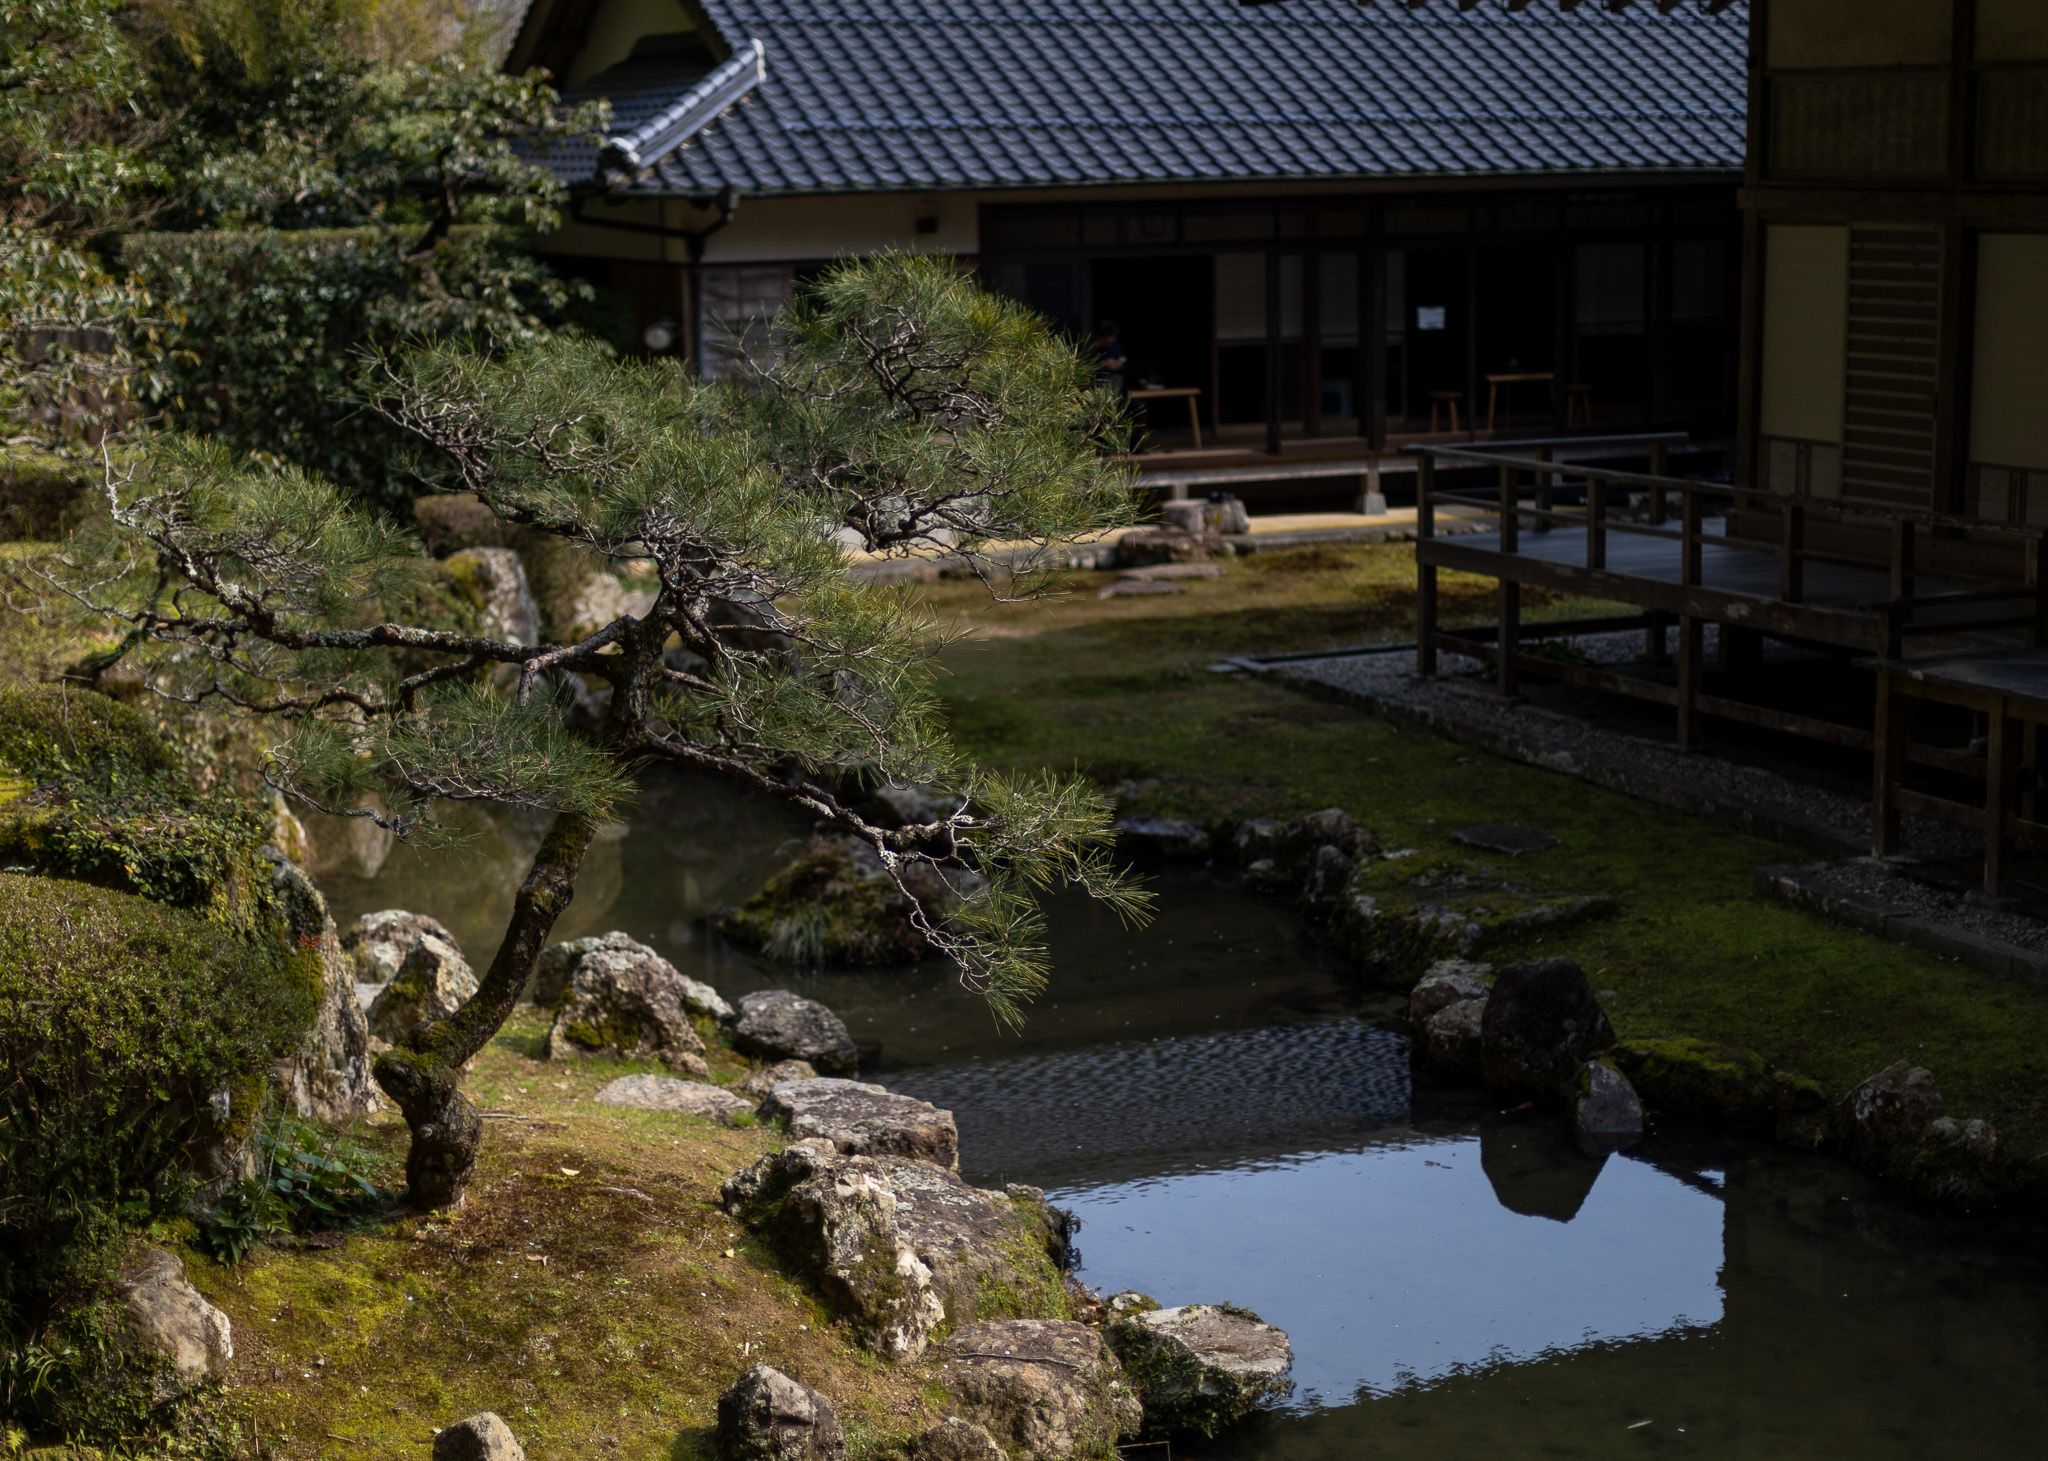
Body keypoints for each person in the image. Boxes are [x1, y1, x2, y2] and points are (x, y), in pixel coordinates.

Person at [1092, 319, 1128, 395]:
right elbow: (1088, 367)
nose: (1111, 341)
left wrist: (1118, 365)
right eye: (1107, 340)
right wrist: (1103, 364)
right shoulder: (1090, 347)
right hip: (1096, 383)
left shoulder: (1115, 345)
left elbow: (1123, 360)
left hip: (1116, 382)